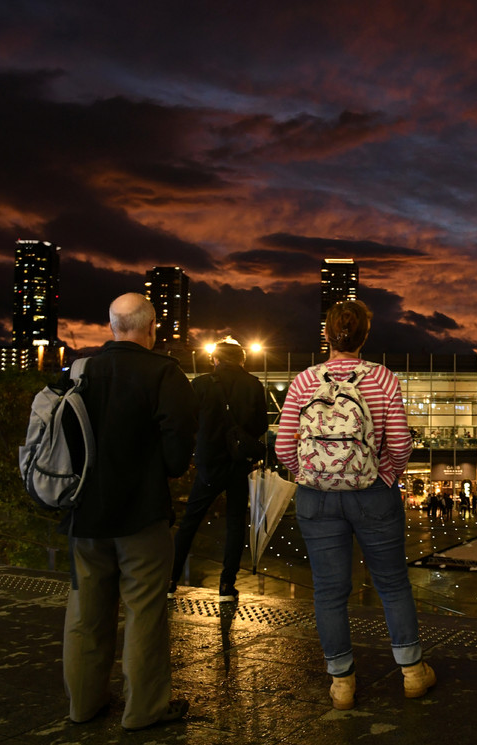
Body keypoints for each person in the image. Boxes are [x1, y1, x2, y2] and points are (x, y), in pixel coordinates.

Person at [275, 300, 436, 710]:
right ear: (365, 335)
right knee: (393, 583)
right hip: (372, 495)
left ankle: (342, 682)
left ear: (327, 335)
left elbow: (282, 446)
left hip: (317, 499)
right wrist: (383, 477)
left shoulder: (303, 382)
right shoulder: (381, 379)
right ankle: (412, 672)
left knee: (329, 592)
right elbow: (399, 444)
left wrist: (309, 475)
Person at [62, 293, 197, 731]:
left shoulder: (81, 370)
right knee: (145, 611)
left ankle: (83, 704)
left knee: (86, 611)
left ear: (112, 326)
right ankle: (143, 709)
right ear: (152, 327)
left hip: (85, 514)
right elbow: (177, 459)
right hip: (141, 514)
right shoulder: (164, 373)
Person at [169, 338, 268, 601]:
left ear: (215, 359)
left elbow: (187, 421)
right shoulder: (254, 385)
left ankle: (170, 579)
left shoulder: (200, 384)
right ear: (242, 359)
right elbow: (260, 425)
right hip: (239, 464)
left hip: (209, 464)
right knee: (236, 523)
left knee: (190, 521)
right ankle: (226, 585)